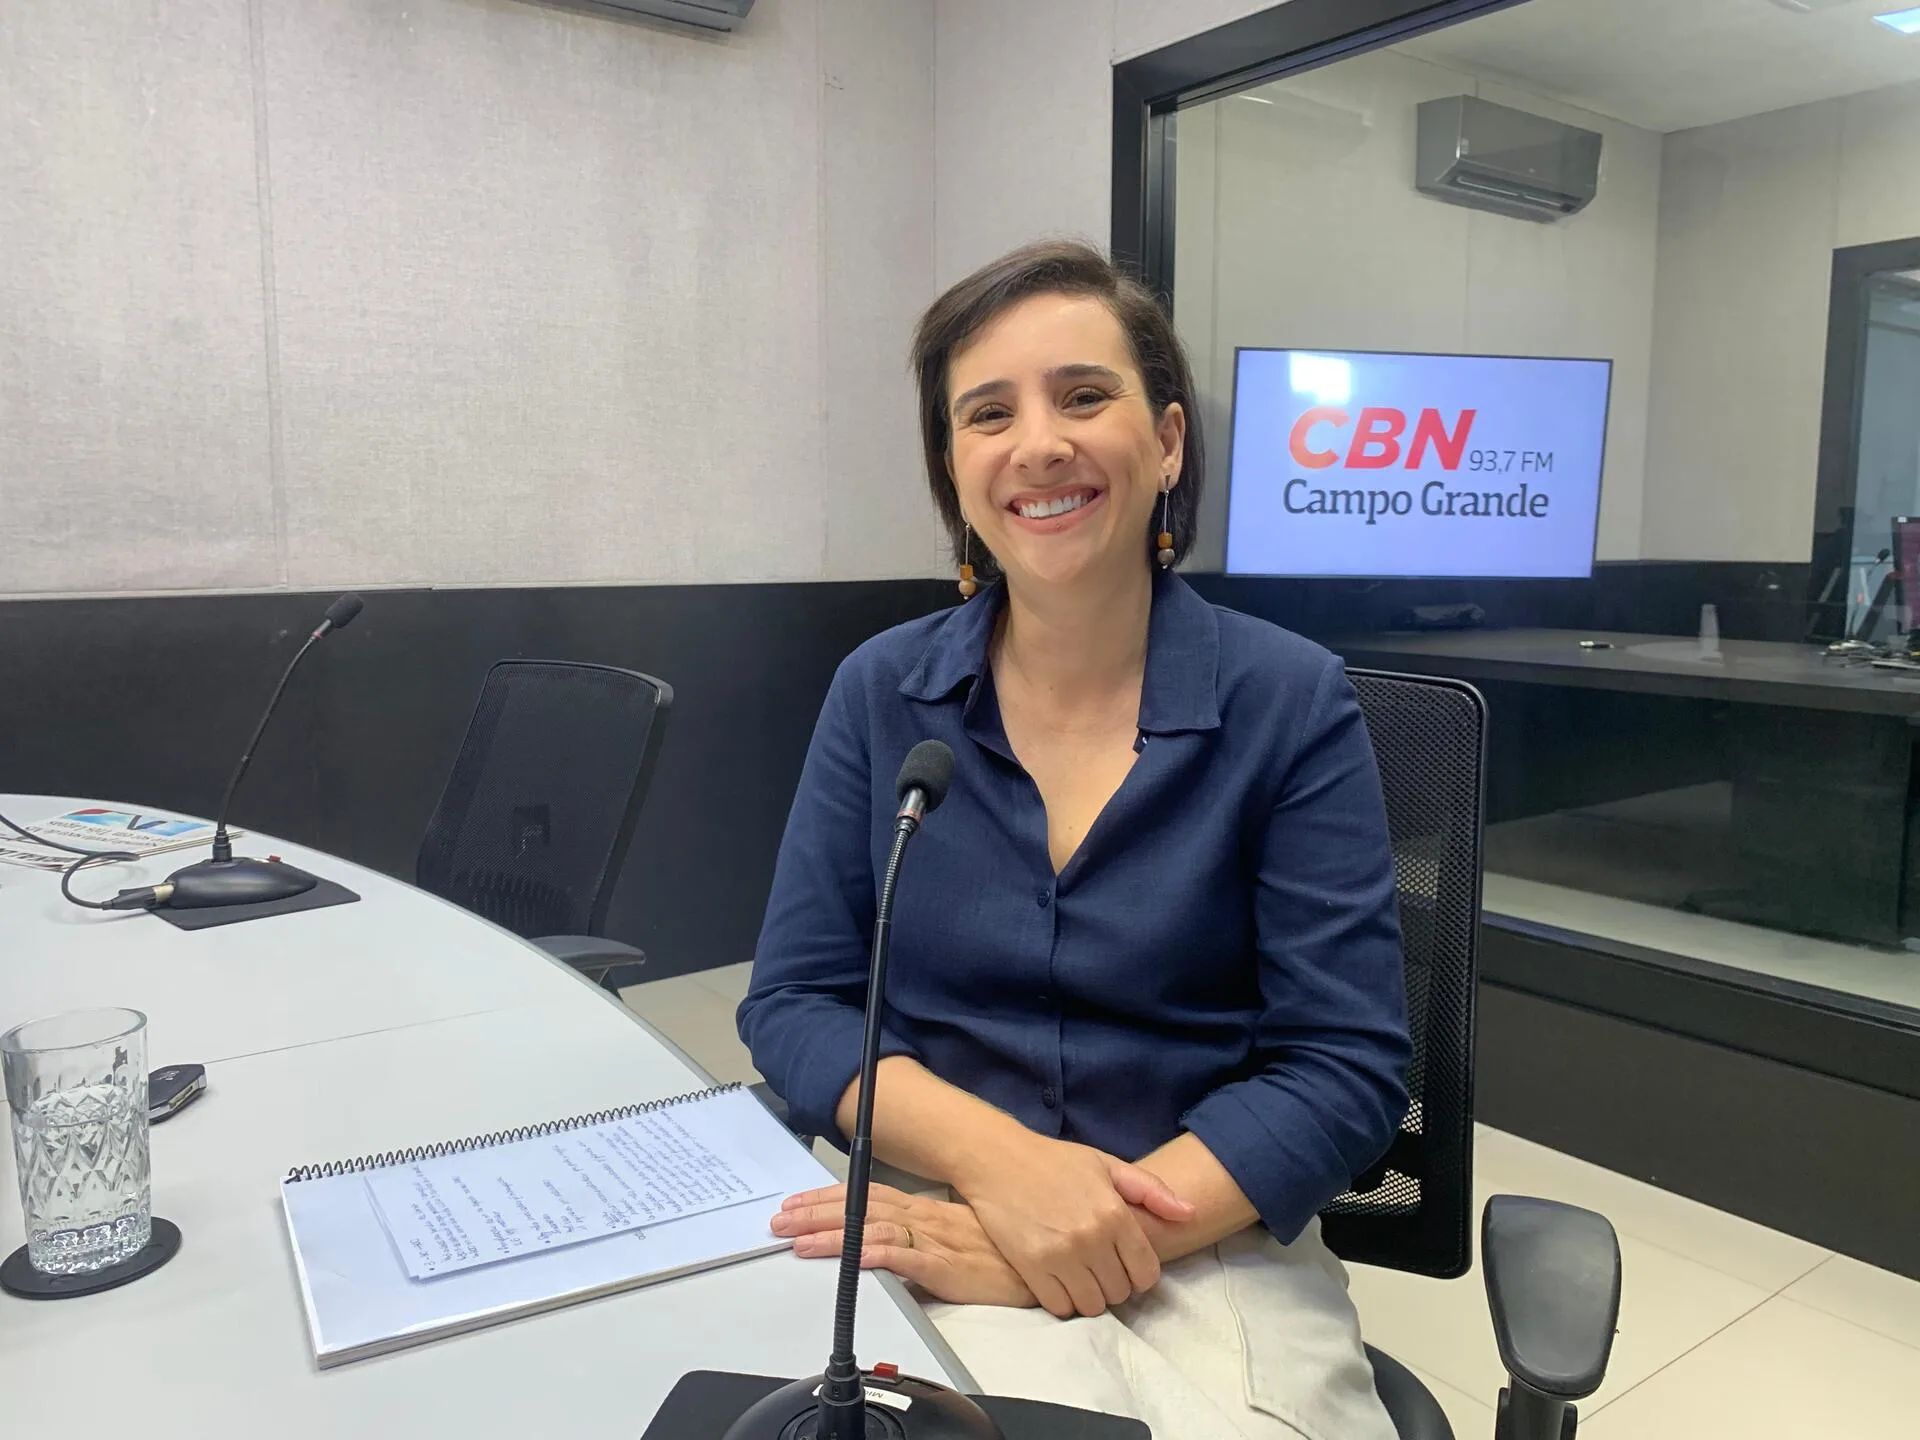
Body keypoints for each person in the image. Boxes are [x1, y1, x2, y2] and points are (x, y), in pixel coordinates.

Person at [737, 239, 1407, 1440]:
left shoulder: (1290, 701)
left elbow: (1344, 1067)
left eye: (1083, 396)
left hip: (1213, 1233)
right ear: (956, 470)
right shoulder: (880, 693)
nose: (1038, 442)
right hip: (926, 1211)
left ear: (1167, 441)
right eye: (988, 412)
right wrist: (1005, 1172)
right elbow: (796, 1002)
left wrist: (1073, 1240)